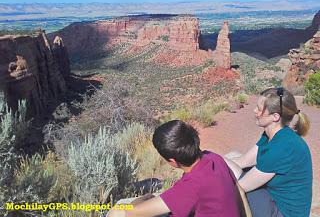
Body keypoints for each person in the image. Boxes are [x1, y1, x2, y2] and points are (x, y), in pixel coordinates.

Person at [109, 120, 241, 217]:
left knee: (116, 211)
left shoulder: (189, 188)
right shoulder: (213, 157)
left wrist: (145, 197)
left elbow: (131, 213)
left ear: (172, 161)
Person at [225, 87, 313, 217]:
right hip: (274, 199)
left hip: (282, 212)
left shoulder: (283, 147)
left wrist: (209, 163)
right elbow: (244, 160)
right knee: (232, 155)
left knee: (226, 173)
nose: (255, 111)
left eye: (260, 109)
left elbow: (241, 187)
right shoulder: (273, 135)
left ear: (275, 116)